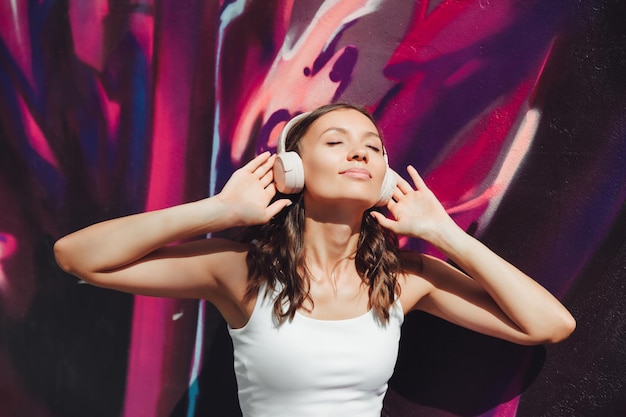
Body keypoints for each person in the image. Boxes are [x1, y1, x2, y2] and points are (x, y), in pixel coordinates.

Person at [53, 103, 576, 417]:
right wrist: (217, 209)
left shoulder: (404, 280)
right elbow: (79, 257)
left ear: (385, 180)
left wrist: (445, 234)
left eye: (373, 148)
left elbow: (550, 325)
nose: (360, 153)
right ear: (293, 171)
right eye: (336, 141)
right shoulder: (240, 272)